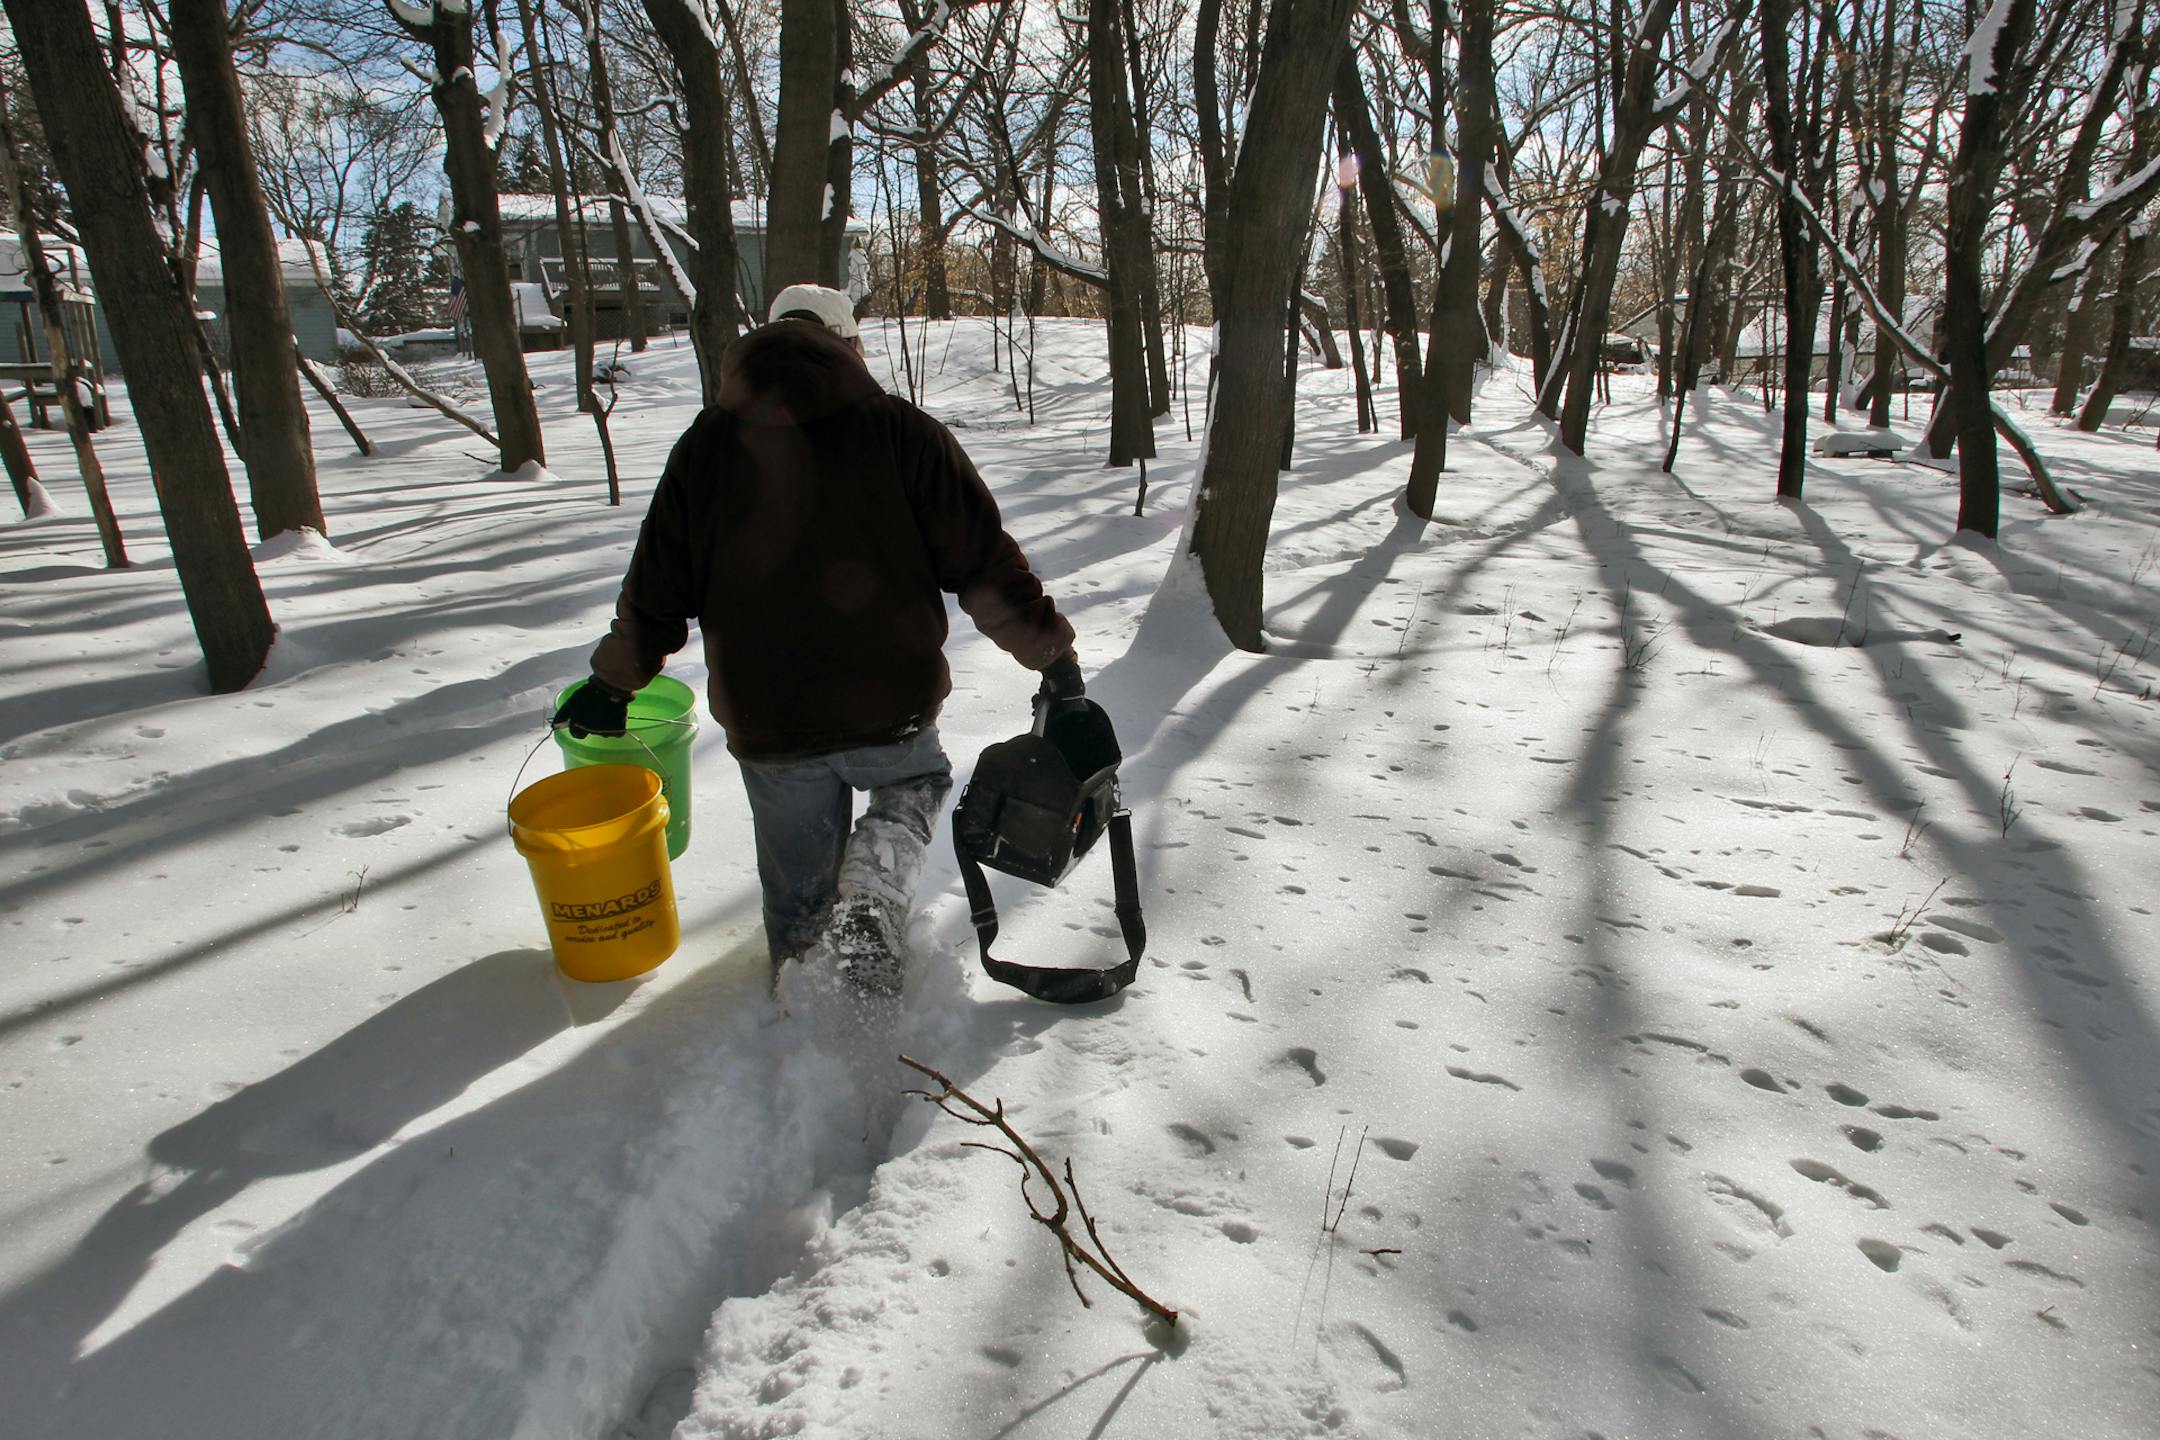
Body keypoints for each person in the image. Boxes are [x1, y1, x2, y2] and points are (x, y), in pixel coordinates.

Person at [553, 283, 1083, 998]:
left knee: (798, 900)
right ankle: (876, 887)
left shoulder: (704, 446)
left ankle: (801, 1005)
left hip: (768, 719)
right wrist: (1051, 654)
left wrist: (613, 684)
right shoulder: (901, 429)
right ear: (847, 345)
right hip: (887, 701)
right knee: (915, 783)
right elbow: (983, 564)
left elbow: (656, 587)